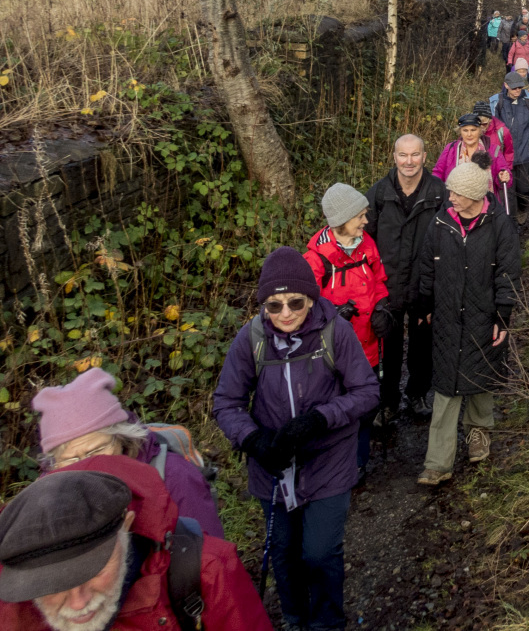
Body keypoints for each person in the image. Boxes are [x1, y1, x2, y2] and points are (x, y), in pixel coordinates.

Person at [214, 246, 380, 631]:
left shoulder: (335, 331)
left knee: (319, 552)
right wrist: (253, 441)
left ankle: (326, 623)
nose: (285, 313)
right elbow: (227, 402)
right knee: (284, 554)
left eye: (295, 302)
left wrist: (320, 420)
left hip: (329, 459)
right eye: (274, 305)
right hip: (272, 466)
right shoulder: (251, 339)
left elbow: (367, 391)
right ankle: (293, 618)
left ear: (311, 298)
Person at [0, 458, 273, 631]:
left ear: (126, 526)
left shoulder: (206, 571)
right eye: (53, 584)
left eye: (94, 570)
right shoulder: (11, 605)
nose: (79, 602)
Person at [415, 160, 521, 486]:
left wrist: (502, 315)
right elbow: (426, 268)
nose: (450, 198)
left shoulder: (500, 224)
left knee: (481, 376)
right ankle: (437, 462)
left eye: (456, 193)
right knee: (446, 386)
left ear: (474, 196)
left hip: (483, 313)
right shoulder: (440, 222)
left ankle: (478, 432)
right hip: (447, 315)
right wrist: (424, 303)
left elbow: (508, 273)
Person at [31, 368, 224, 538]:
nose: (87, 464)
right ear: (53, 461)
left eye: (97, 450)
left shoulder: (175, 476)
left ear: (121, 438)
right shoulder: (48, 488)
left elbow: (209, 560)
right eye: (71, 459)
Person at [304, 183, 391, 474]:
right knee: (339, 409)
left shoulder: (367, 244)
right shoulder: (316, 259)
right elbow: (304, 307)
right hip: (334, 352)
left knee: (366, 407)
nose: (366, 221)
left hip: (368, 345)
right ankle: (335, 468)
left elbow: (379, 281)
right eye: (360, 216)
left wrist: (382, 308)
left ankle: (358, 463)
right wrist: (332, 315)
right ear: (342, 219)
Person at [365, 135, 446, 419]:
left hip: (425, 287)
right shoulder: (377, 194)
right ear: (394, 156)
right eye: (403, 155)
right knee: (389, 347)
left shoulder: (439, 194)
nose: (409, 161)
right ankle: (387, 401)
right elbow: (365, 243)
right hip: (388, 287)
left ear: (425, 157)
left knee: (423, 345)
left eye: (415, 155)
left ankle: (417, 393)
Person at [489, 71, 529, 225]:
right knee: (508, 192)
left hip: (525, 154)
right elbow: (490, 130)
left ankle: (524, 212)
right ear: (506, 85)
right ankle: (513, 224)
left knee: (525, 189)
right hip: (503, 158)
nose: (517, 91)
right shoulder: (496, 102)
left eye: (520, 87)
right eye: (514, 88)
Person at [432, 113, 512, 200]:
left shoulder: (492, 150)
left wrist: (503, 177)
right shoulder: (451, 149)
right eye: (465, 130)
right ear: (460, 131)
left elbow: (504, 175)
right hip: (455, 202)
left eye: (473, 130)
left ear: (480, 130)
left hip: (486, 203)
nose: (469, 134)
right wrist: (436, 191)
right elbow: (438, 173)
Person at [473, 101, 514, 177]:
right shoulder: (470, 132)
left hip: (496, 172)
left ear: (490, 120)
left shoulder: (502, 131)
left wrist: (506, 170)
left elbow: (509, 152)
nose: (481, 127)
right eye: (478, 124)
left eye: (484, 124)